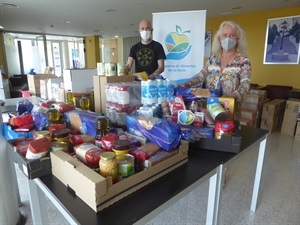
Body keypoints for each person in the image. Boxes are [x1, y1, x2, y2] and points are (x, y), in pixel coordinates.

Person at [180, 20, 251, 120]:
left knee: (227, 133)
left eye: (232, 35)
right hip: (209, 108)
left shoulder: (243, 61)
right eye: (225, 35)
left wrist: (232, 96)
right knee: (209, 133)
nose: (228, 38)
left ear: (238, 39)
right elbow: (201, 76)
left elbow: (245, 85)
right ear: (219, 38)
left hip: (230, 109)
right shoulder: (212, 59)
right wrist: (186, 84)